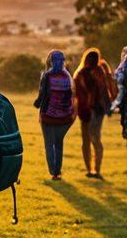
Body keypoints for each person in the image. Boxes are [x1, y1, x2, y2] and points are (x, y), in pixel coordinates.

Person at [73, 48, 115, 179]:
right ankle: (97, 169)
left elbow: (76, 94)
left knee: (86, 140)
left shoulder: (80, 73)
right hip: (98, 110)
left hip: (85, 110)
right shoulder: (100, 71)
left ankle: (89, 169)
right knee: (96, 138)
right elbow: (105, 91)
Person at [34, 50, 76, 180]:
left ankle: (53, 172)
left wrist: (37, 105)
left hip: (48, 116)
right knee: (59, 144)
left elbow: (43, 95)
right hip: (64, 117)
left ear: (50, 61)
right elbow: (70, 95)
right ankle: (57, 172)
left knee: (49, 144)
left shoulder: (47, 75)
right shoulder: (67, 75)